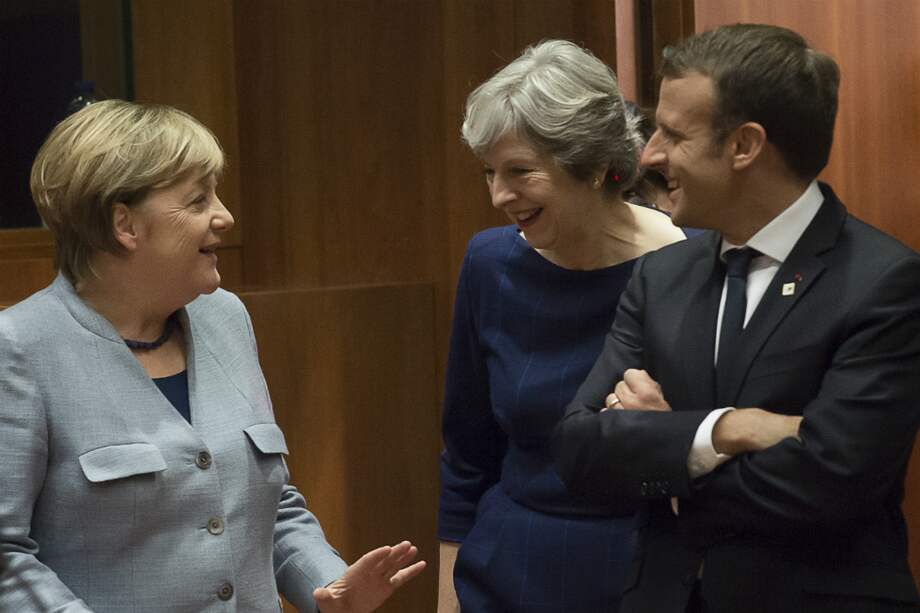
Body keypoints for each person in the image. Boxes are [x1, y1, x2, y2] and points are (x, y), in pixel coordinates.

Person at [0, 100, 425, 613]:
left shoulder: (225, 318)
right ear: (124, 225)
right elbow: (6, 556)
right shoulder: (19, 348)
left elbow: (270, 508)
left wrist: (329, 586)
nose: (225, 217)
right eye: (198, 201)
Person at [552, 24, 920, 613]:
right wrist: (729, 429)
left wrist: (667, 453)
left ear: (744, 145)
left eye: (673, 134)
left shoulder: (885, 282)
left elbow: (831, 480)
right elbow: (578, 448)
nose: (649, 155)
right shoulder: (660, 276)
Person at [437, 40, 684, 612]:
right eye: (489, 173)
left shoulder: (695, 266)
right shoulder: (489, 262)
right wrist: (448, 599)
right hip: (506, 575)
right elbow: (467, 454)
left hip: (649, 575)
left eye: (520, 171)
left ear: (596, 166)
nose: (500, 195)